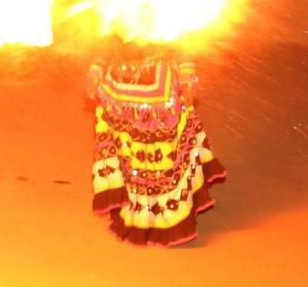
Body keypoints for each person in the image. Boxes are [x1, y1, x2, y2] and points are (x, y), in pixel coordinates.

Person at [87, 42, 226, 247]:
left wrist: (188, 77)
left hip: (161, 97)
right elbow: (105, 32)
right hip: (121, 92)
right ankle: (137, 213)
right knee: (130, 155)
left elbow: (185, 34)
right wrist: (96, 70)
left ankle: (165, 218)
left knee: (164, 156)